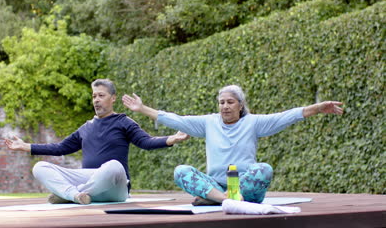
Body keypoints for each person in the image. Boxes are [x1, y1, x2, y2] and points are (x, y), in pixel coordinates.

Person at [122, 84, 343, 205]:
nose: (225, 106)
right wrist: (142, 109)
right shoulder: (208, 122)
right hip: (216, 186)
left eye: (230, 102)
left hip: (247, 189)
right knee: (181, 171)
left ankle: (218, 199)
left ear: (240, 105)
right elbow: (175, 119)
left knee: (264, 169)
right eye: (221, 102)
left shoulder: (253, 122)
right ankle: (225, 198)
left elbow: (287, 116)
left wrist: (317, 107)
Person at [5, 79, 189, 204]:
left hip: (115, 186)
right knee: (40, 168)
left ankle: (68, 194)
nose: (96, 100)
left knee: (114, 166)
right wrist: (26, 146)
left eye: (101, 95)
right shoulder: (85, 128)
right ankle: (75, 195)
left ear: (113, 98)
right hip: (88, 181)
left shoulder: (124, 122)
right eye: (94, 96)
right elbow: (60, 147)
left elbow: (146, 142)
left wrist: (171, 139)